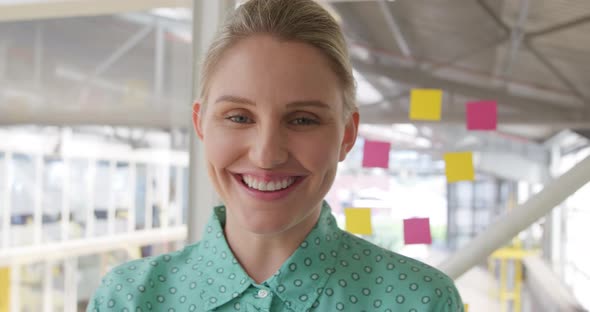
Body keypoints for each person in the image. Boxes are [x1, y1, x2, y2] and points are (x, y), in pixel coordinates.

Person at [86, 0, 464, 311]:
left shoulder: (420, 301)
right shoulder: (130, 299)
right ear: (201, 125)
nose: (267, 155)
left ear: (347, 135)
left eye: (302, 119)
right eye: (238, 117)